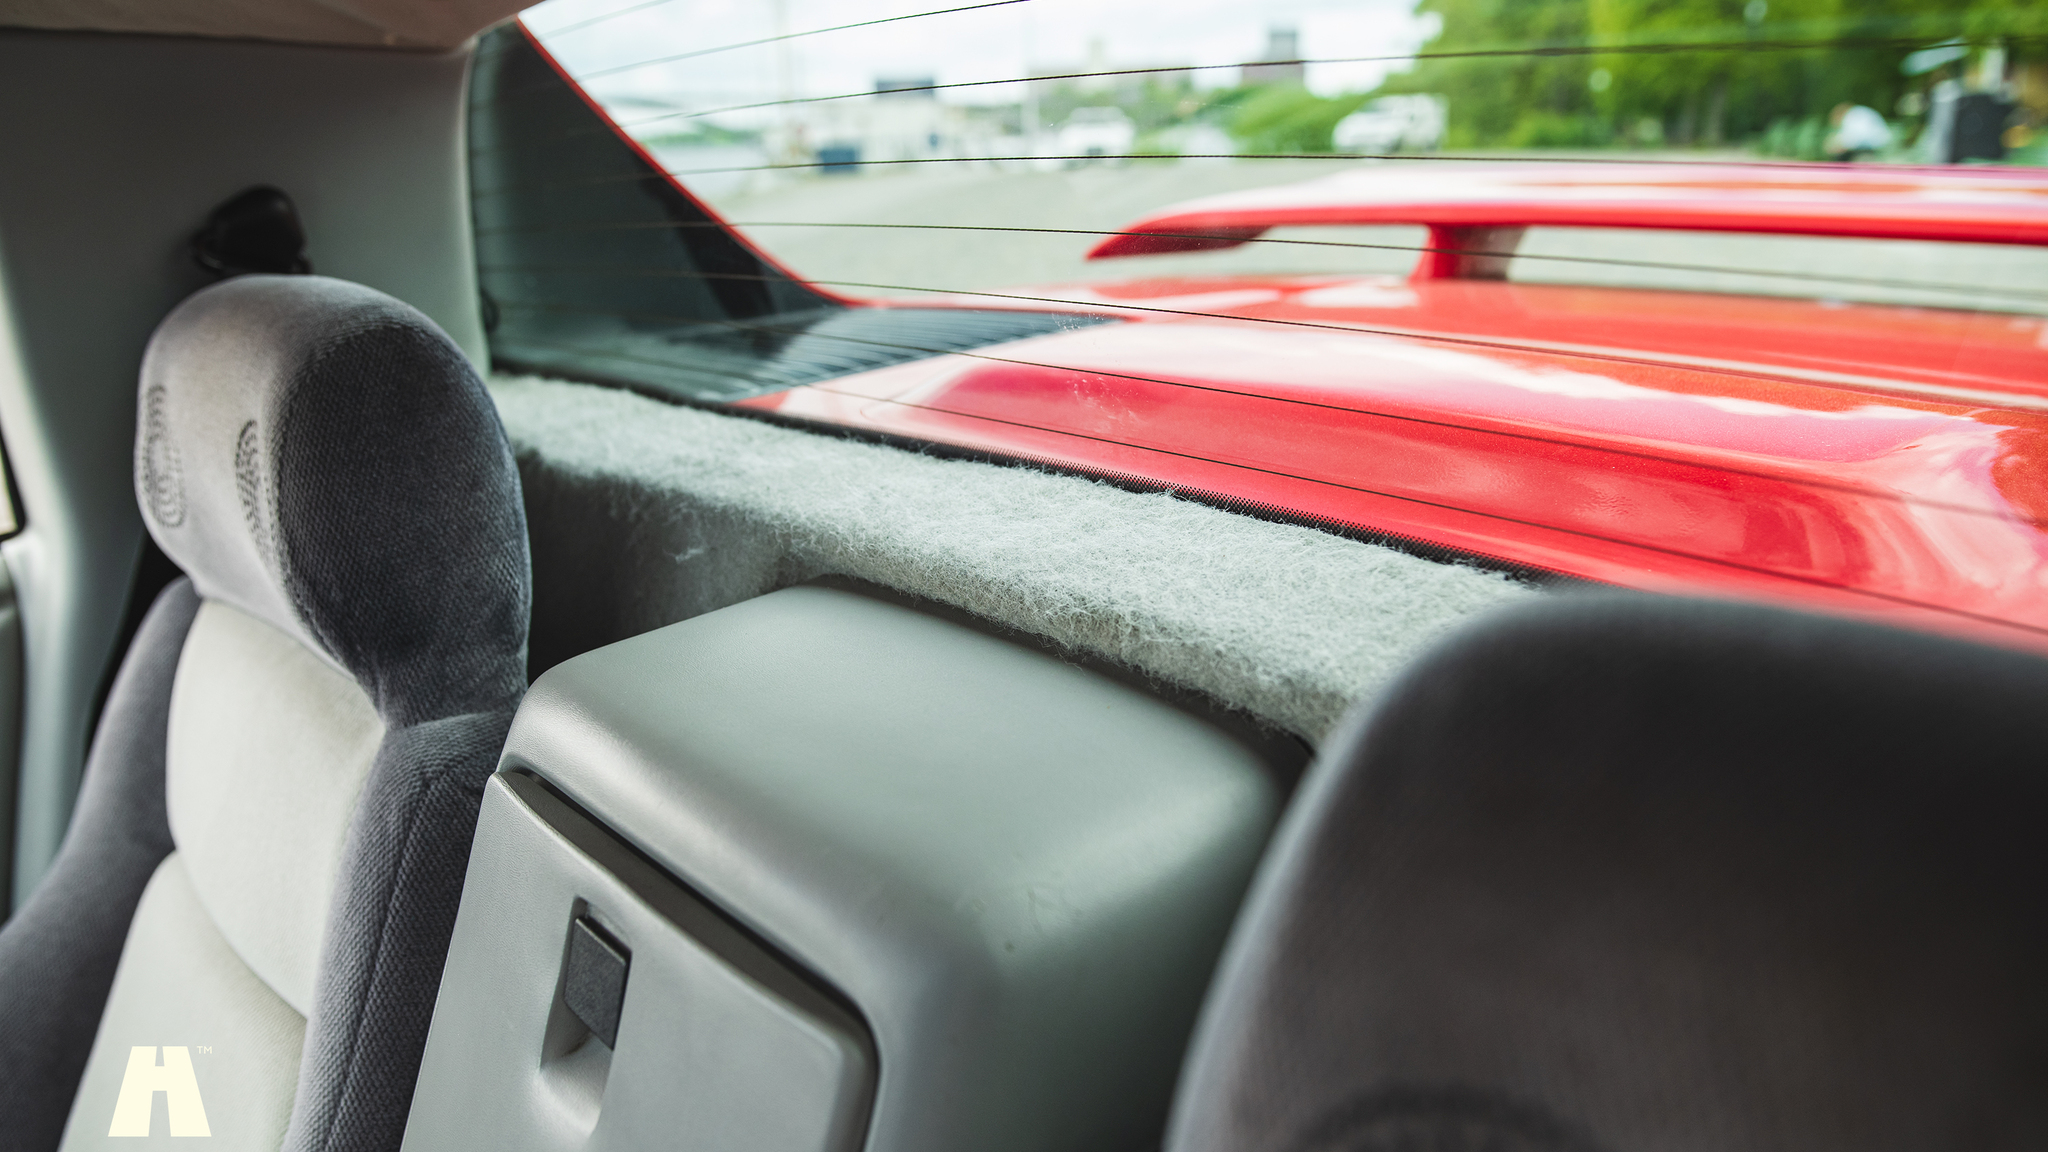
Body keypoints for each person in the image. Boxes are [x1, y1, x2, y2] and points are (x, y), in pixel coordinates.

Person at [1826, 102, 1892, 161]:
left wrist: (1840, 146)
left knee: (1839, 156)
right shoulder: (1859, 112)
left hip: (1869, 148)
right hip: (1877, 145)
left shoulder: (1851, 115)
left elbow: (1857, 137)